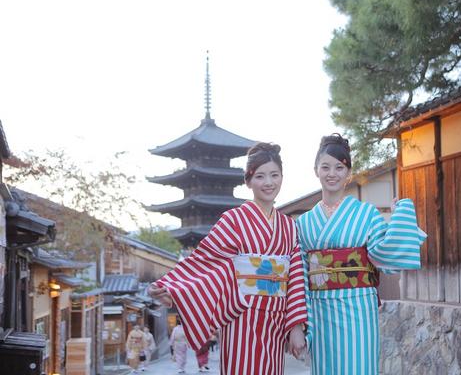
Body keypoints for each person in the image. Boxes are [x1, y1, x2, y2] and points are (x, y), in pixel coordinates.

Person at [149, 142, 307, 375]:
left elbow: (294, 278)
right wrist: (171, 287)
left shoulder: (289, 227)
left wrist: (295, 326)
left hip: (275, 315)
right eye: (260, 176)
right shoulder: (233, 220)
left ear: (282, 177)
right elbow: (205, 260)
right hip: (242, 314)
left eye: (275, 175)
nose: (269, 183)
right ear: (248, 181)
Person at [297, 134, 427, 374]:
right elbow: (299, 271)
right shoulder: (303, 223)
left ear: (348, 173)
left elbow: (384, 253)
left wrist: (400, 217)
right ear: (316, 170)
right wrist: (300, 319)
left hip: (358, 305)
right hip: (319, 308)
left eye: (339, 167)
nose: (332, 173)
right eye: (325, 167)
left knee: (359, 366)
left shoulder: (366, 214)